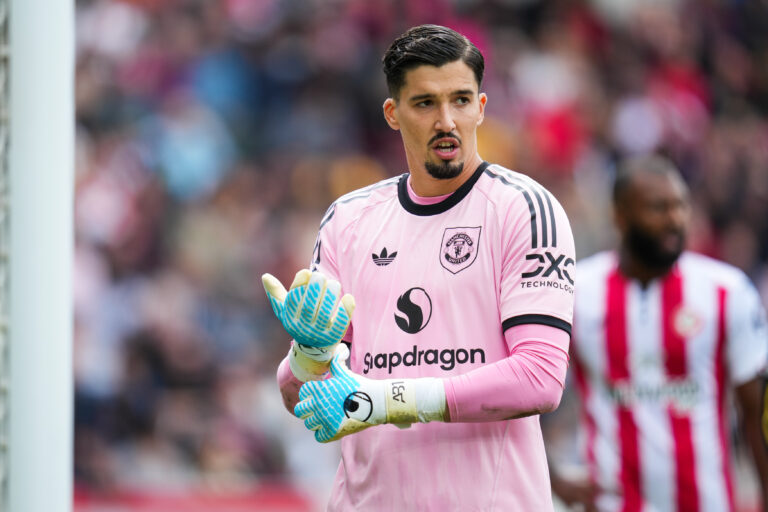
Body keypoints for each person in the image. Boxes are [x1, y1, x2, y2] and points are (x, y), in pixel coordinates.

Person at [263, 24, 575, 510]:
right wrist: (309, 353)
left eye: (461, 100)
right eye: (425, 103)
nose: (446, 121)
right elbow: (307, 397)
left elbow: (539, 378)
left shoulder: (524, 209)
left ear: (481, 107)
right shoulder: (348, 220)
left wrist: (387, 401)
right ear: (393, 113)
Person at [548, 155, 768, 511]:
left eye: (680, 206)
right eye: (658, 208)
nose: (675, 219)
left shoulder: (727, 291)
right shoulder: (576, 292)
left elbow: (755, 414)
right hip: (611, 504)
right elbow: (525, 387)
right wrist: (553, 476)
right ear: (620, 215)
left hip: (706, 503)